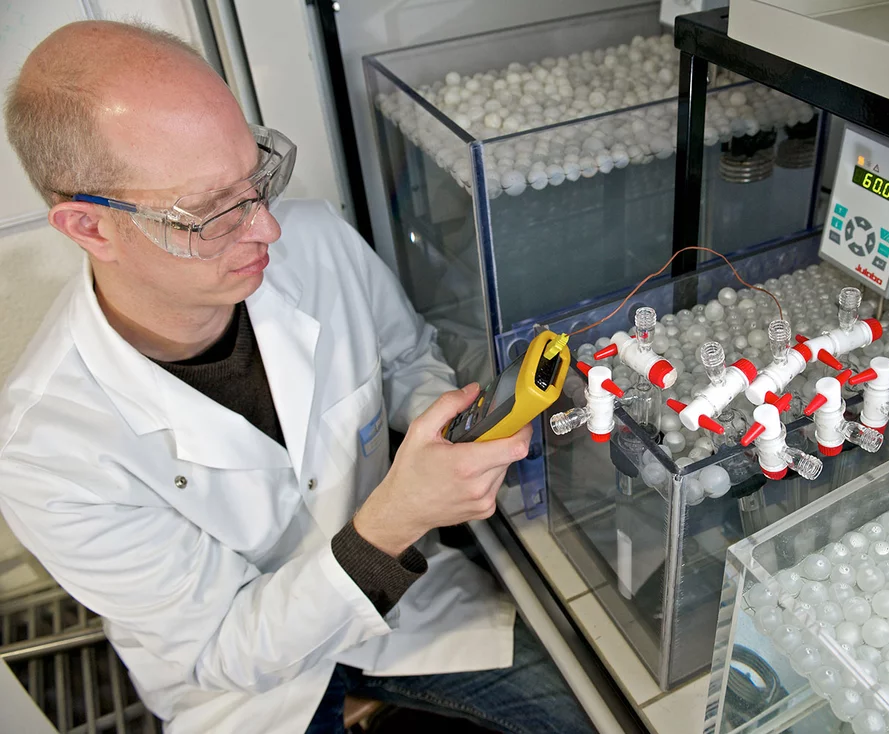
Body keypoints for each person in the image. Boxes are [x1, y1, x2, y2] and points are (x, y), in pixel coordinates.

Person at [0, 20, 594, 734]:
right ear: (90, 228)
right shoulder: (45, 450)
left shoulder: (312, 239)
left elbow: (405, 358)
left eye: (256, 178)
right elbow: (226, 649)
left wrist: (451, 420)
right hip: (248, 696)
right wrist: (398, 516)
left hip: (408, 605)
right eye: (210, 212)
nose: (266, 230)